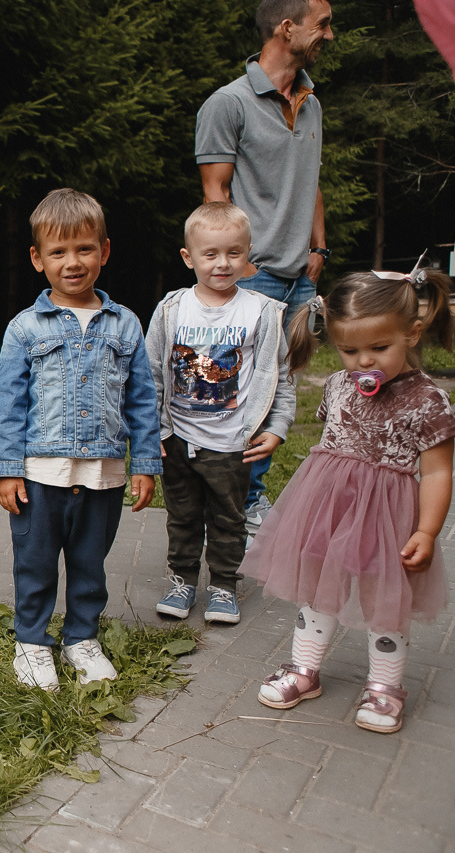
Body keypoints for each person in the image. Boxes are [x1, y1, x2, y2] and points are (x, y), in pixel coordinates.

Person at [242, 263, 455, 734]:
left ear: (413, 333)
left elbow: (439, 470)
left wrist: (427, 529)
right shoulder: (339, 385)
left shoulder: (428, 400)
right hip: (328, 506)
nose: (364, 362)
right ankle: (304, 668)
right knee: (318, 585)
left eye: (379, 348)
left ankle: (384, 685)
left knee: (386, 598)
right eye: (349, 350)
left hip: (389, 515)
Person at [0, 188, 162, 691]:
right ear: (37, 259)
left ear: (104, 252)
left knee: (90, 563)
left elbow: (142, 400)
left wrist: (145, 463)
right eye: (58, 252)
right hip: (40, 475)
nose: (73, 262)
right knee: (36, 563)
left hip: (104, 474)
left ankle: (82, 637)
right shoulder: (25, 328)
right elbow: (10, 404)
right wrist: (6, 469)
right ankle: (32, 643)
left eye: (84, 249)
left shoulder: (125, 324)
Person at [196, 0, 335, 530]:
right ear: (287, 27)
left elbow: (311, 180)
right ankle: (225, 510)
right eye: (322, 24)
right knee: (233, 392)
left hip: (300, 277)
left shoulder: (312, 103)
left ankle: (248, 504)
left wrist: (318, 252)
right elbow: (215, 194)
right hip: (251, 276)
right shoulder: (227, 104)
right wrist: (239, 266)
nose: (329, 34)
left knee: (278, 394)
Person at [146, 203, 295, 624]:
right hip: (177, 439)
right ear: (188, 257)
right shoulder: (172, 309)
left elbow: (280, 377)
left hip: (233, 442)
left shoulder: (261, 312)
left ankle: (224, 586)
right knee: (183, 516)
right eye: (210, 254)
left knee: (230, 518)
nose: (222, 263)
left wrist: (278, 427)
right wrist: (150, 432)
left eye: (233, 252)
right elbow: (151, 373)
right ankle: (182, 581)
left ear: (248, 253)